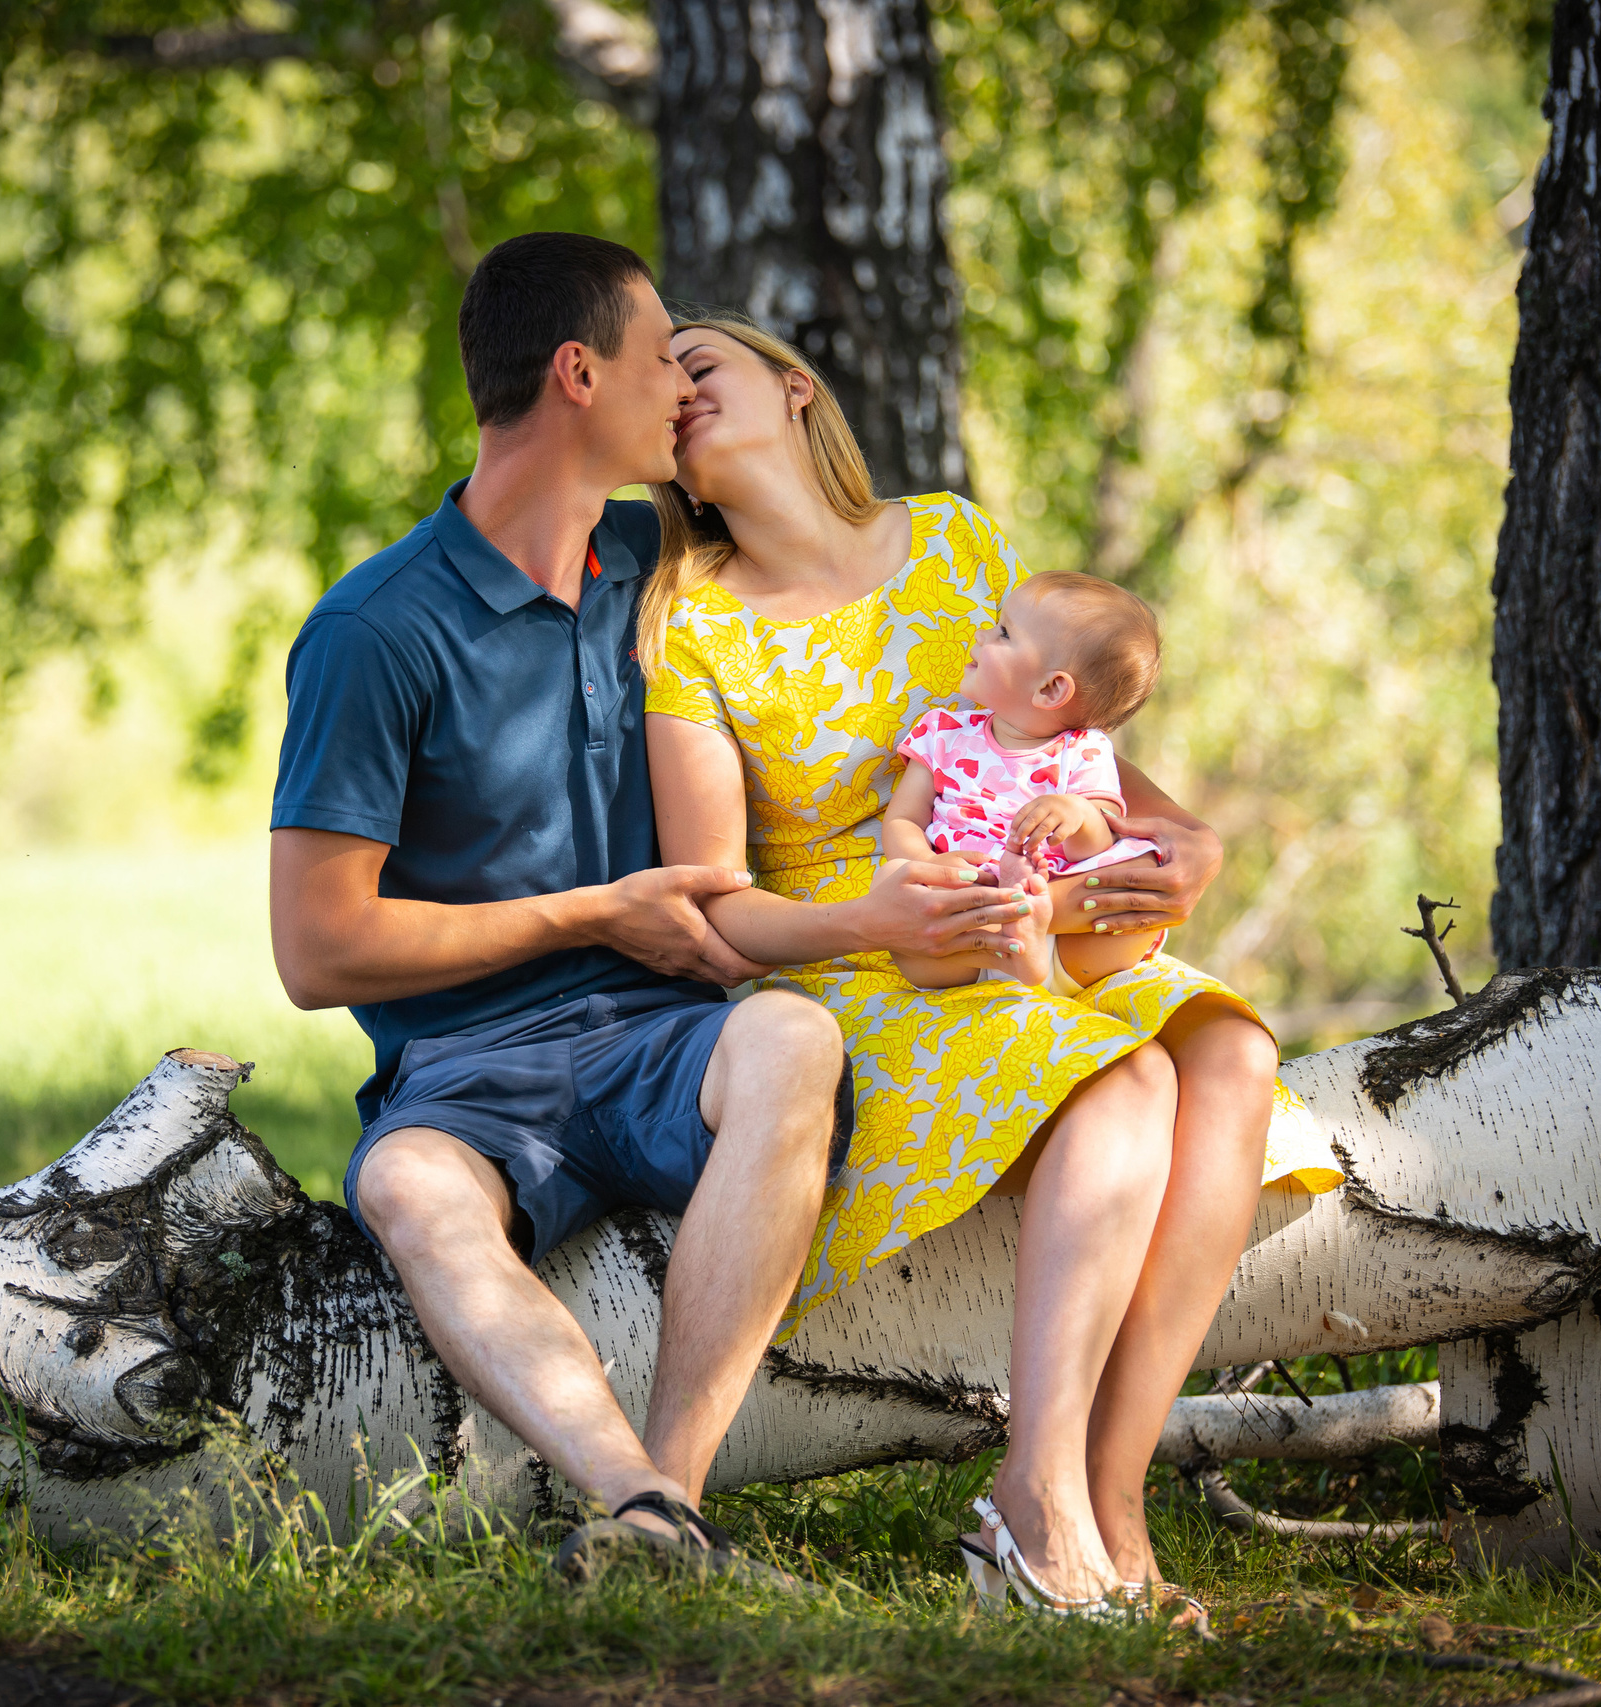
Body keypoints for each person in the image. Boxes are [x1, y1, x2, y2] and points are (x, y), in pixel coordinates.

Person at [266, 236, 1015, 1569]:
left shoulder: (665, 564)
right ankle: (631, 1493)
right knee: (407, 1184)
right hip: (470, 1068)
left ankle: (672, 1497)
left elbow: (857, 591)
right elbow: (318, 950)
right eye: (663, 356)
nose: (683, 385)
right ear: (578, 373)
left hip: (669, 1035)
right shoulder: (375, 631)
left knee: (791, 1039)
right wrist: (592, 912)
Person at [638, 310, 1344, 1613]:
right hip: (861, 966)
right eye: (656, 383)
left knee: (1233, 1048)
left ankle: (1114, 1497)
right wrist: (878, 921)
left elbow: (1077, 754)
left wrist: (1186, 844)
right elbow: (716, 909)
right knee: (1125, 1077)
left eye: (702, 363)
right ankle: (1035, 1493)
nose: (675, 389)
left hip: (1040, 914)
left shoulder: (954, 541)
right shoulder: (690, 621)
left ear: (795, 387)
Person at [882, 570, 1169, 991]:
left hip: (1065, 937)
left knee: (1143, 868)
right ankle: (1014, 949)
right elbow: (903, 819)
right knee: (890, 880)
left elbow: (1098, 846)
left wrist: (1078, 814)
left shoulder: (1084, 750)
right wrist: (924, 863)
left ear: (1050, 689)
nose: (981, 634)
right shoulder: (942, 734)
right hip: (963, 926)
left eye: (1003, 633)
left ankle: (1029, 938)